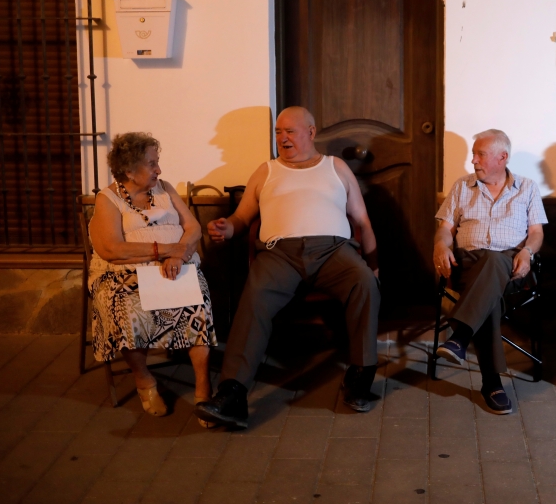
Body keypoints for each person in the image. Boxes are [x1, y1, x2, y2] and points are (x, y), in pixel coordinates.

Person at [195, 106, 381, 428]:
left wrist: (374, 265)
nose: (282, 138)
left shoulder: (335, 167)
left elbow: (362, 220)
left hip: (334, 251)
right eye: (278, 132)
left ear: (310, 132)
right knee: (255, 295)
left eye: (290, 131)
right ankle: (232, 395)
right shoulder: (266, 171)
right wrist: (228, 228)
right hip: (279, 254)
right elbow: (242, 218)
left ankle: (360, 377)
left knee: (364, 282)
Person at [88, 132, 217, 421]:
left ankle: (203, 388)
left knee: (198, 305)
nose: (158, 170)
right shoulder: (107, 199)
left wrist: (178, 254)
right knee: (125, 309)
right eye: (151, 164)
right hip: (124, 272)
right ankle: (145, 380)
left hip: (175, 264)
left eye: (157, 162)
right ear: (128, 170)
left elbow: (194, 228)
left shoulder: (165, 188)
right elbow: (112, 249)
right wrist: (165, 249)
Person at [434, 129, 547, 414]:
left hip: (512, 267)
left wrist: (527, 252)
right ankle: (491, 383)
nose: (473, 161)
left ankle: (460, 337)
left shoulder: (528, 188)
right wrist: (439, 245)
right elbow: (445, 229)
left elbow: (536, 233)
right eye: (473, 154)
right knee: (489, 289)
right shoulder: (462, 186)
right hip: (466, 265)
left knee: (495, 263)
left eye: (480, 154)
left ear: (502, 157)